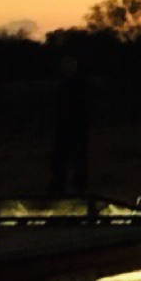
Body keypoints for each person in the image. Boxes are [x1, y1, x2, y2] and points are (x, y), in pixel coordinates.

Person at [51, 54, 96, 197]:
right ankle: (62, 186)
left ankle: (77, 186)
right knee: (64, 157)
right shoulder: (65, 85)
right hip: (67, 126)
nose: (67, 69)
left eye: (70, 66)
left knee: (77, 158)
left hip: (76, 126)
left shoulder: (77, 85)